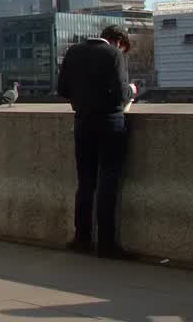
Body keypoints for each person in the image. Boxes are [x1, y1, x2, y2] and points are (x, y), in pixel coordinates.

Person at [57, 24, 138, 260]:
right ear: (118, 41)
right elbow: (122, 94)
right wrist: (132, 90)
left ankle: (81, 238)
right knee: (108, 181)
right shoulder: (113, 54)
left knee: (85, 182)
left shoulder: (73, 52)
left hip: (82, 123)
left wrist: (82, 98)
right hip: (110, 124)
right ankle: (106, 243)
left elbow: (62, 89)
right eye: (123, 47)